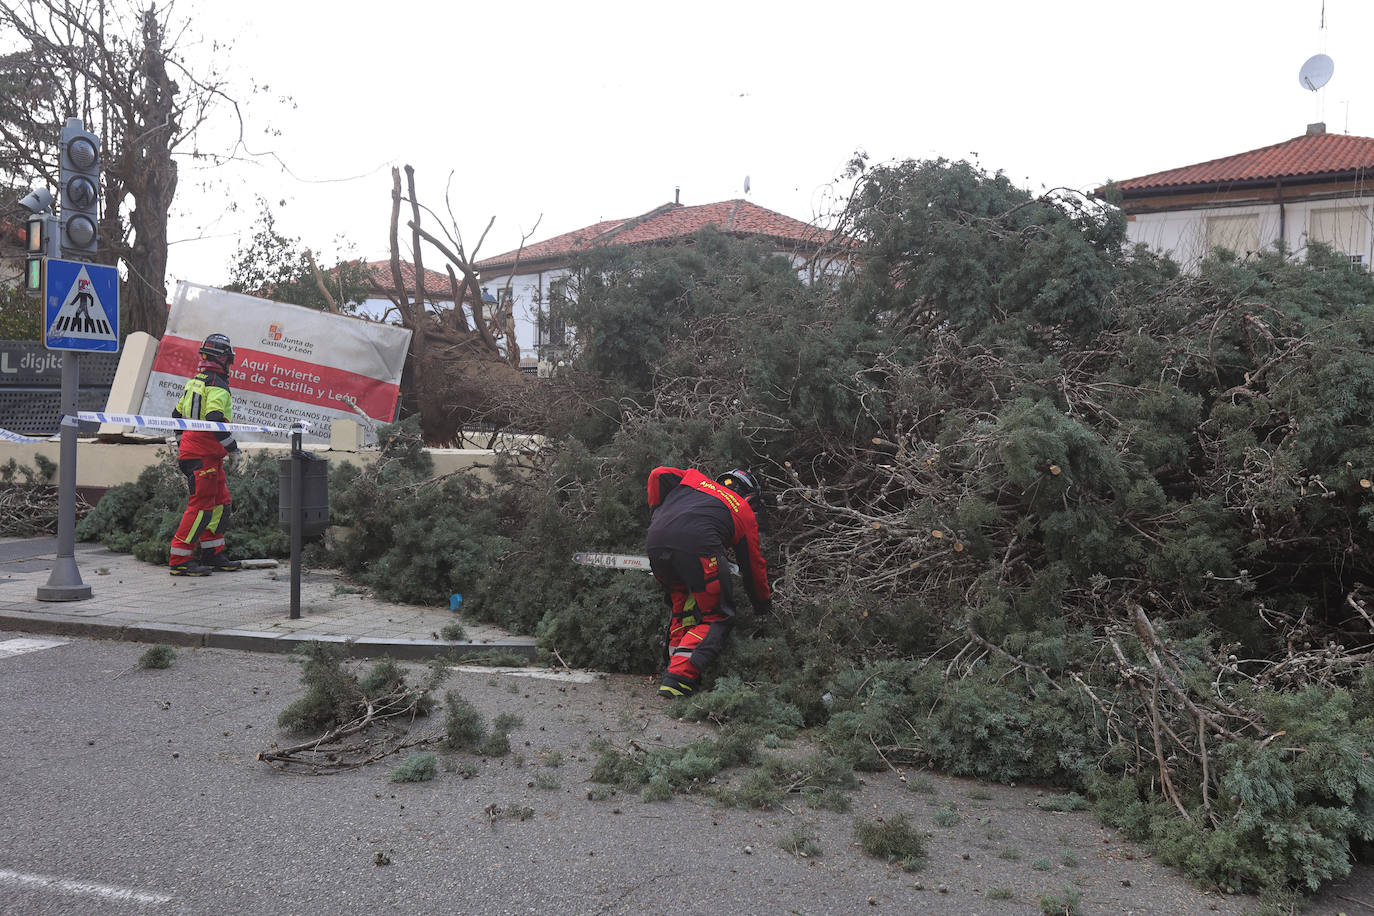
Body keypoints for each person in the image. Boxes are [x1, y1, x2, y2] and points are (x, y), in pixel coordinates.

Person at [645, 466, 772, 698]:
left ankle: (673, 663)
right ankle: (679, 678)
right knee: (718, 615)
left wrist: (658, 513)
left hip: (655, 540)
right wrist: (762, 605)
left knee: (682, 606)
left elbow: (657, 474)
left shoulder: (693, 479)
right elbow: (753, 567)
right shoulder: (741, 508)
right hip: (699, 548)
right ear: (750, 496)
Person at [168, 333, 242, 576]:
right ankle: (179, 559)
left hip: (206, 455)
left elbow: (176, 415)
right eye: (229, 360)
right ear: (222, 359)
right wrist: (233, 449)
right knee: (201, 508)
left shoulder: (194, 382)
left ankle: (213, 554)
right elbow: (214, 419)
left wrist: (183, 444)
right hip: (203, 456)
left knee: (221, 504)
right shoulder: (217, 387)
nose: (230, 365)